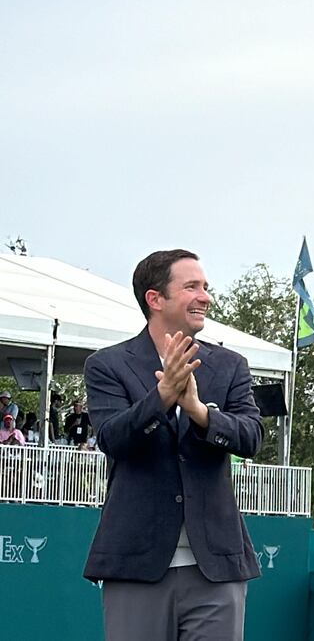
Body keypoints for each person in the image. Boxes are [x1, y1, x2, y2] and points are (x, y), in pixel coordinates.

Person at [83, 249, 263, 640]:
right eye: (191, 286)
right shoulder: (107, 365)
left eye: (205, 287)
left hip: (217, 567)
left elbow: (250, 437)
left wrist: (199, 412)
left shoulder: (231, 365)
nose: (205, 296)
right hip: (136, 565)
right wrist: (162, 396)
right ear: (155, 298)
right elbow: (112, 438)